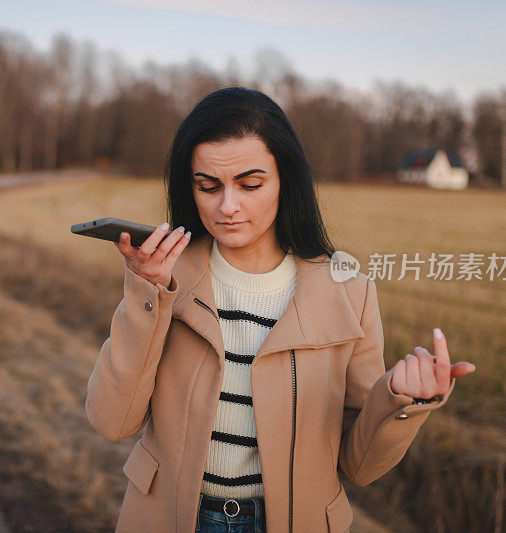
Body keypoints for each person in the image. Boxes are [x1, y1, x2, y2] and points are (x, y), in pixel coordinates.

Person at [84, 87, 475, 533]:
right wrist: (145, 292)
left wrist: (402, 401)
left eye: (250, 185)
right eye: (208, 186)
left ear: (285, 179)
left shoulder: (350, 294)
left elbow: (359, 465)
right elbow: (112, 421)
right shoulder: (166, 277)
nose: (227, 207)